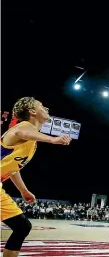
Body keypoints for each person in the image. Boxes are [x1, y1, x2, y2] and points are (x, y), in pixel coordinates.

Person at [1, 97, 71, 257]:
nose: (46, 107)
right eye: (41, 105)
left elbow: (12, 168)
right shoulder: (23, 127)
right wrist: (52, 139)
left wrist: (24, 191)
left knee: (22, 227)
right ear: (32, 112)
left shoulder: (31, 141)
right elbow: (21, 131)